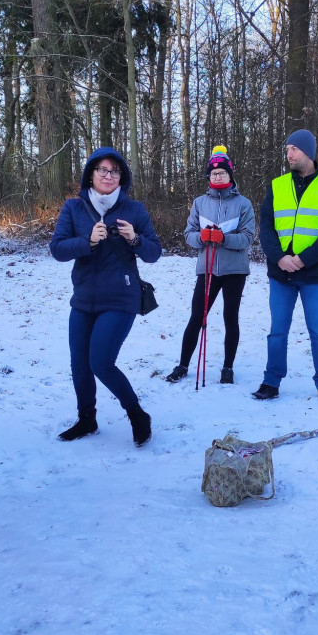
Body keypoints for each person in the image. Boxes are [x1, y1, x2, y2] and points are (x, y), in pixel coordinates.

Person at [50, 147, 162, 446]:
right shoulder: (74, 208)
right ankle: (87, 419)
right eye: (102, 170)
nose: (108, 175)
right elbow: (57, 249)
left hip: (121, 298)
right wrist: (86, 242)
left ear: (121, 177)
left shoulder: (134, 210)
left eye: (115, 171)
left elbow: (154, 253)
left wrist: (134, 239)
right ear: (91, 174)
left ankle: (137, 414)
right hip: (84, 299)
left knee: (100, 361)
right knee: (79, 363)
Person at [253, 129, 318, 403]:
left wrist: (303, 259)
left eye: (294, 149)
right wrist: (280, 257)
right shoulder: (277, 185)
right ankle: (271, 381)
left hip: (315, 272)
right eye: (287, 149)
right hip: (280, 272)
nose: (289, 154)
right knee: (277, 330)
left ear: (309, 152)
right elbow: (266, 226)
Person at [165, 146, 255, 385]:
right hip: (207, 269)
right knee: (197, 316)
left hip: (234, 269)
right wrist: (202, 237)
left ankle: (228, 367)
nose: (217, 176)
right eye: (214, 173)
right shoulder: (199, 203)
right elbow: (188, 235)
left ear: (230, 175)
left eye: (222, 172)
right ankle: (183, 364)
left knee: (230, 317)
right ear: (209, 177)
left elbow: (248, 238)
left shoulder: (243, 203)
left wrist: (224, 238)